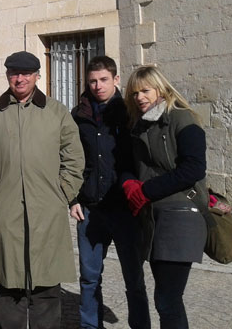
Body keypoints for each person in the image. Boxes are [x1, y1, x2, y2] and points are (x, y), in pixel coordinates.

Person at [0, 51, 85, 328]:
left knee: (46, 289)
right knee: (9, 289)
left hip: (47, 213)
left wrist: (62, 193)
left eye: (26, 74)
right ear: (8, 75)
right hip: (5, 212)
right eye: (14, 73)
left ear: (37, 76)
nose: (19, 79)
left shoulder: (56, 112)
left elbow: (74, 157)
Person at [124, 65, 208, 329]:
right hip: (154, 218)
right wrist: (128, 183)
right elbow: (132, 164)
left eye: (145, 90)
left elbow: (193, 168)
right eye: (135, 93)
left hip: (181, 217)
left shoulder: (182, 118)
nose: (139, 97)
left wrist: (145, 191)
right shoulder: (140, 125)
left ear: (160, 89)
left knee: (168, 299)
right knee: (167, 298)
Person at [69, 56, 150, 329]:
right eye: (92, 81)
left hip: (126, 209)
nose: (97, 86)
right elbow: (69, 159)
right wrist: (72, 198)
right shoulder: (78, 115)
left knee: (134, 279)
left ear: (116, 79)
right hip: (90, 209)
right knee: (89, 278)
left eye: (103, 80)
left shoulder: (130, 111)